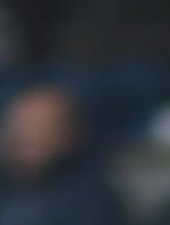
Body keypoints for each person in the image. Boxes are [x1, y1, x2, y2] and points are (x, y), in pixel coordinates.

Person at [0, 87, 123, 223]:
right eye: (21, 125)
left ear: (70, 134)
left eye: (44, 127)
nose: (29, 135)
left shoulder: (90, 199)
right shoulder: (7, 183)